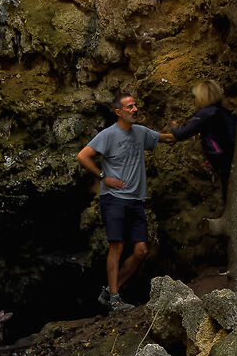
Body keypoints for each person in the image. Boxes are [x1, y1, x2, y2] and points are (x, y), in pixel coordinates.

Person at [77, 91, 181, 312]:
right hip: (113, 199)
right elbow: (82, 156)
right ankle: (115, 299)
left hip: (135, 200)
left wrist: (179, 127)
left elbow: (169, 139)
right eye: (129, 107)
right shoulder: (108, 135)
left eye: (135, 106)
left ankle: (110, 292)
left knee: (141, 250)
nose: (135, 110)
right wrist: (104, 177)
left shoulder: (141, 133)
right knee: (117, 246)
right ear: (118, 112)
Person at [170, 82, 237, 203]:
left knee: (228, 196)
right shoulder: (223, 112)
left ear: (202, 97)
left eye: (196, 97)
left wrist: (174, 127)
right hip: (232, 158)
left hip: (221, 159)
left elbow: (182, 134)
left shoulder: (206, 113)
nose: (195, 100)